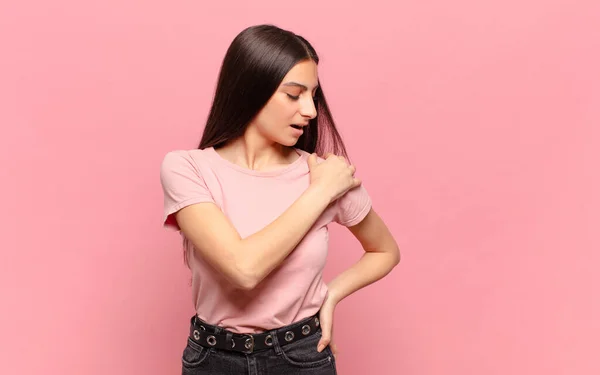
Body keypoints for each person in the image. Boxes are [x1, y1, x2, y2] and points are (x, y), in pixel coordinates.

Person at [159, 24, 400, 375]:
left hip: (301, 356)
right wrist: (319, 193)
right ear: (249, 90)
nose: (311, 111)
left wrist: (330, 295)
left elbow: (385, 250)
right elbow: (244, 269)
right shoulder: (187, 168)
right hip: (212, 361)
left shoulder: (326, 174)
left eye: (312, 95)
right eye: (293, 94)